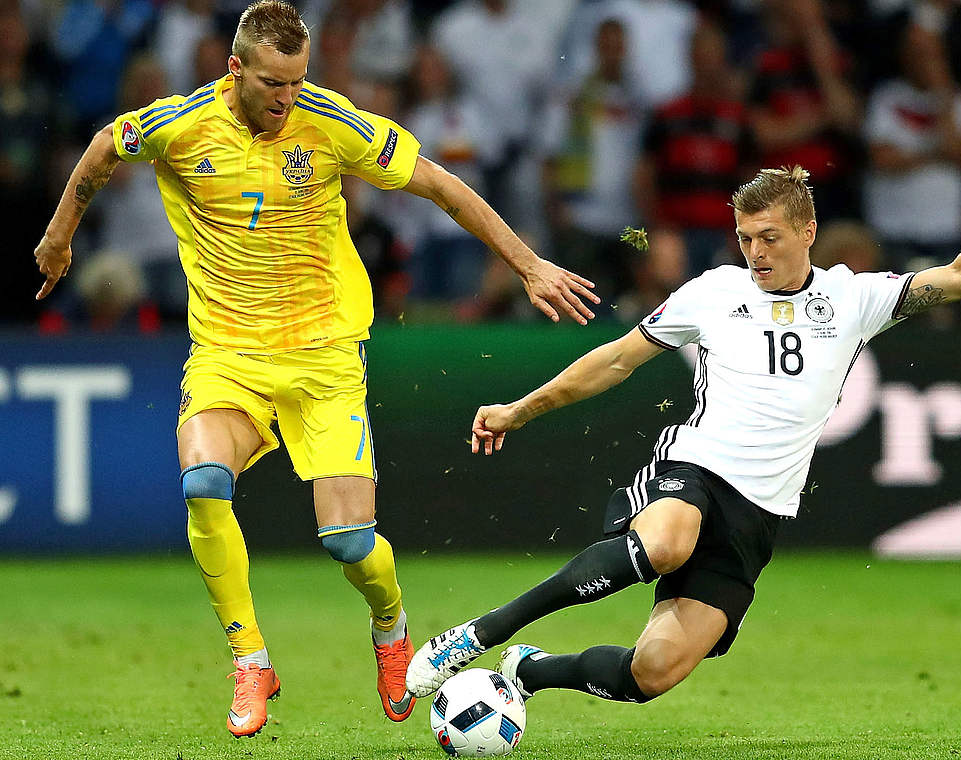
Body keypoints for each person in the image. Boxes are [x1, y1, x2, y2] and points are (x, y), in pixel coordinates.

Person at [30, 0, 598, 738]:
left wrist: (527, 265)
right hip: (229, 354)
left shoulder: (331, 122)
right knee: (203, 482)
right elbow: (107, 144)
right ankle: (250, 658)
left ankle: (391, 630)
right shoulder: (182, 124)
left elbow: (439, 184)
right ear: (236, 69)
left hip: (325, 355)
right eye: (273, 83)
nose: (286, 98)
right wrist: (57, 237)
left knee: (351, 545)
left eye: (297, 82)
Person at [406, 158, 961, 706]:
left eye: (769, 238)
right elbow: (617, 359)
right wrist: (521, 409)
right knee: (667, 542)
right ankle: (478, 635)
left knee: (650, 674)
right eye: (745, 238)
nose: (756, 253)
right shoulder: (713, 292)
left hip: (758, 512)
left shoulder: (855, 299)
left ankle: (529, 672)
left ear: (808, 232)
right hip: (696, 468)